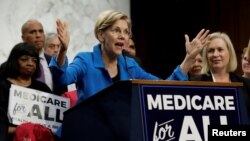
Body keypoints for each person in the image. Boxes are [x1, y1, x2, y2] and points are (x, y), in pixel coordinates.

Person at [50, 9, 209, 137]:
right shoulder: (85, 60)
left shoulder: (130, 66)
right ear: (101, 35)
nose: (123, 36)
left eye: (126, 32)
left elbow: (162, 89)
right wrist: (63, 50)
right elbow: (63, 81)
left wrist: (188, 59)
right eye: (116, 30)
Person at [190, 32, 250, 121]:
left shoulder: (246, 84)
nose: (215, 54)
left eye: (220, 49)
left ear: (229, 53)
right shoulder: (195, 83)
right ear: (206, 56)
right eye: (211, 51)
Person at [0, 42, 53, 141]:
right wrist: (23, 130)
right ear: (14, 61)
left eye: (34, 60)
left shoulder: (43, 88)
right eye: (24, 59)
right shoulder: (2, 87)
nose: (30, 63)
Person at [20, 19, 67, 95]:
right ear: (23, 37)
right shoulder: (12, 64)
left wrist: (64, 50)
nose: (38, 35)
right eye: (33, 32)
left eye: (41, 31)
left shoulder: (53, 63)